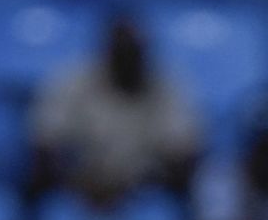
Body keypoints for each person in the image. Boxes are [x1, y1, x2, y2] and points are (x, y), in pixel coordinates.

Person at [28, 18, 203, 206]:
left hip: (144, 194)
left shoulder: (168, 86)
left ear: (145, 55)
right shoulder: (73, 80)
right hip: (77, 192)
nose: (127, 62)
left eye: (133, 54)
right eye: (121, 54)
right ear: (106, 53)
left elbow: (184, 157)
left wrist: (131, 187)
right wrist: (77, 183)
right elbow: (45, 145)